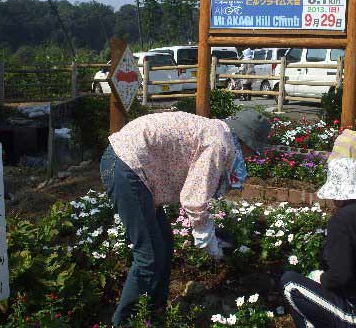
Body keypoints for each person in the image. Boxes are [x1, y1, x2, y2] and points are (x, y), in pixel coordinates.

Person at [99, 109, 270, 326]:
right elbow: (194, 199)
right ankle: (123, 323)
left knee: (165, 245)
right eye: (253, 151)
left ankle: (153, 314)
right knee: (149, 256)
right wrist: (209, 242)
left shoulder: (219, 133)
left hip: (132, 165)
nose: (250, 156)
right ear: (246, 141)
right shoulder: (220, 144)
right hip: (127, 165)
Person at [281, 158, 356, 328]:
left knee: (290, 283)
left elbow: (339, 277)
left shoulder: (341, 220)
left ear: (336, 195)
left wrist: (319, 277)